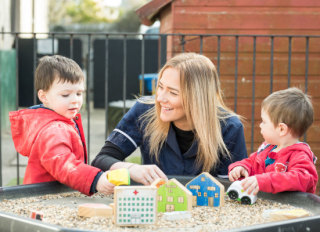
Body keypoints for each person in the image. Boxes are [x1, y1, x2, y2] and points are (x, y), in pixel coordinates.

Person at [92, 52, 248, 185]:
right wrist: (131, 169)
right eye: (160, 87)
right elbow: (102, 159)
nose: (160, 98)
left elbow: (231, 188)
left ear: (198, 98)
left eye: (173, 93)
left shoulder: (229, 126)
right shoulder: (143, 111)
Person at [9, 55, 114, 196]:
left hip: (51, 195)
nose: (75, 100)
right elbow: (63, 164)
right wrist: (95, 179)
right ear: (44, 97)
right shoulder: (53, 130)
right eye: (65, 95)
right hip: (44, 199)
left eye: (79, 93)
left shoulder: (62, 121)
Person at [228, 87, 318, 195]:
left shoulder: (300, 155)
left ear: (281, 129)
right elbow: (252, 162)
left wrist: (265, 180)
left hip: (291, 209)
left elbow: (303, 179)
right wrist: (242, 168)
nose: (260, 125)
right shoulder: (268, 148)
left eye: (264, 121)